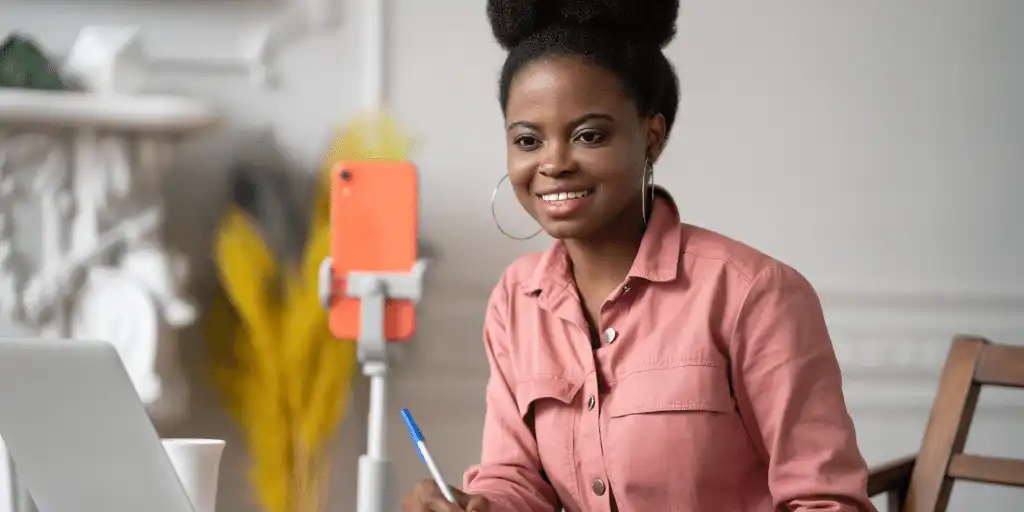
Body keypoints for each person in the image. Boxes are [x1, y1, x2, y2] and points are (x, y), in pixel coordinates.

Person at [402, 0, 877, 510]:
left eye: (589, 135)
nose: (554, 163)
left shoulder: (753, 295)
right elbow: (516, 477)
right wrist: (478, 505)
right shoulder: (516, 299)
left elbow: (827, 501)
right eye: (528, 140)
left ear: (651, 137)